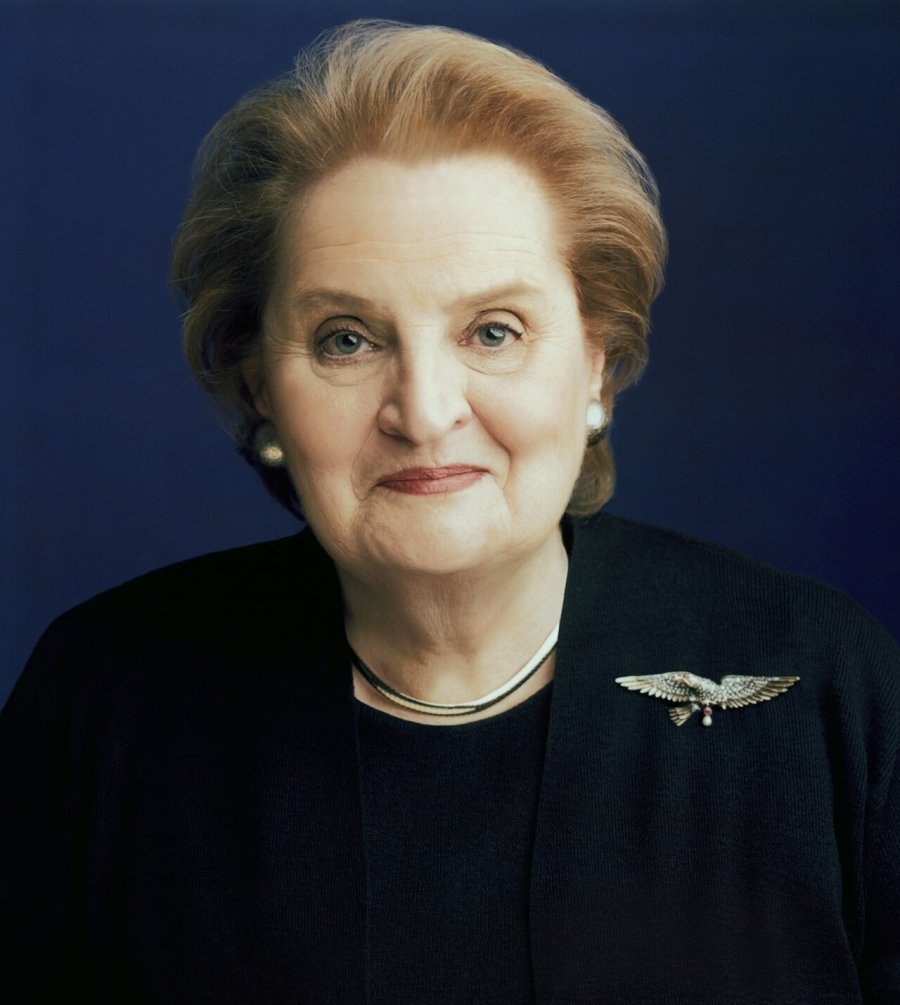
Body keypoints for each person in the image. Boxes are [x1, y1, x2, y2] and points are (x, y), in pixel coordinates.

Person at [2, 19, 898, 1005]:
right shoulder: (104, 706)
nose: (425, 412)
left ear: (595, 366)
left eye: (493, 331)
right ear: (261, 387)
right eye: (347, 339)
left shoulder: (829, 686)